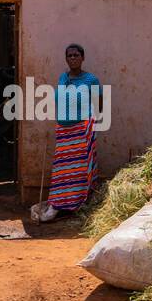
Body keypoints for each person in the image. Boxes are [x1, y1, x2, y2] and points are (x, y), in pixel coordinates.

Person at [47, 43, 101, 213]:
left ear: (83, 58)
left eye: (76, 55)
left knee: (80, 171)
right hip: (64, 131)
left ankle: (79, 204)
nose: (73, 58)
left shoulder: (91, 80)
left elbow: (99, 105)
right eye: (69, 56)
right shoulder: (63, 78)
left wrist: (91, 126)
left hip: (81, 131)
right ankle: (58, 204)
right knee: (62, 171)